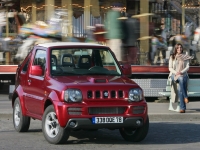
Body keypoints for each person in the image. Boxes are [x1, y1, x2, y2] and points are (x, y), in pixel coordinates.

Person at [168, 43, 193, 113]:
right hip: (174, 75)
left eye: (180, 47)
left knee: (180, 89)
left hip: (183, 74)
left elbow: (187, 67)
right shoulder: (172, 56)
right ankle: (186, 97)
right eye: (178, 48)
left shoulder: (185, 56)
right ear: (175, 49)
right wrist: (176, 72)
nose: (179, 49)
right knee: (181, 79)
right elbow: (170, 68)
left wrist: (181, 72)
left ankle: (182, 109)